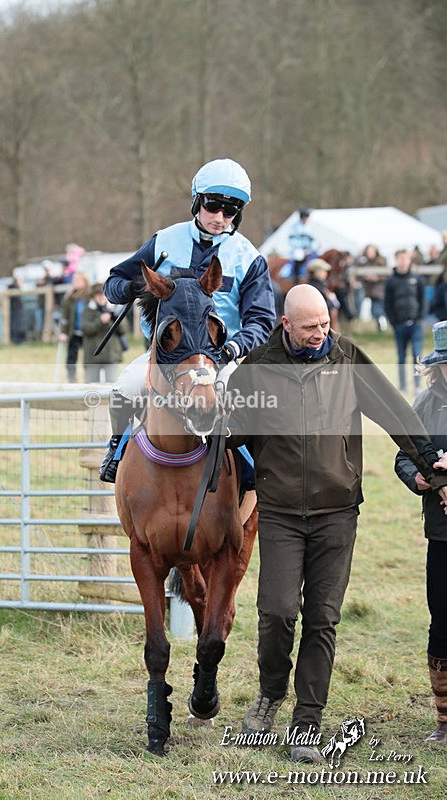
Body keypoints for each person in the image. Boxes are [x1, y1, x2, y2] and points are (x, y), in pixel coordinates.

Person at [226, 284, 447, 763]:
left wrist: (431, 463)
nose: (320, 334)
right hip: (281, 511)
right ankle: (270, 692)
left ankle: (307, 724)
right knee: (278, 612)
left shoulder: (347, 359)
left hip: (338, 510)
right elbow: (230, 430)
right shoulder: (258, 369)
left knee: (323, 619)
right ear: (286, 324)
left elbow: (396, 413)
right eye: (309, 327)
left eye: (325, 324)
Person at [98, 157, 276, 482]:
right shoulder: (164, 241)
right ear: (196, 201)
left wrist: (232, 349)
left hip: (220, 359)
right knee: (125, 387)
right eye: (213, 206)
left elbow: (262, 322)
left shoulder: (249, 258)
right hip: (166, 358)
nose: (220, 218)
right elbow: (112, 283)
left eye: (231, 210)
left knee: (246, 403)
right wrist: (135, 287)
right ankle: (117, 450)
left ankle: (255, 475)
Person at [394, 320, 447, 745]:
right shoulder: (425, 403)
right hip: (442, 532)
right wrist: (419, 479)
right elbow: (403, 456)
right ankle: (444, 719)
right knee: (441, 620)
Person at [383, 249, 427, 394]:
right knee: (401, 356)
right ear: (396, 260)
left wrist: (420, 318)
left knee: (416, 354)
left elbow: (423, 300)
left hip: (415, 324)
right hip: (399, 324)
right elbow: (387, 303)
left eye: (405, 258)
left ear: (409, 261)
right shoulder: (391, 281)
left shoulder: (417, 279)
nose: (403, 261)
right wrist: (393, 321)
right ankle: (402, 386)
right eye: (400, 258)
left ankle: (417, 385)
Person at [82, 283, 128, 383]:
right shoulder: (87, 311)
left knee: (111, 387)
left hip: (111, 356)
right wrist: (100, 321)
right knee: (91, 387)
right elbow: (86, 329)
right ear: (93, 296)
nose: (102, 297)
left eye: (104, 294)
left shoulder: (114, 310)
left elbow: (124, 329)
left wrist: (114, 319)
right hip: (92, 357)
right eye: (99, 295)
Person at [58, 271, 91, 382]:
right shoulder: (69, 297)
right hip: (74, 332)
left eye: (77, 280)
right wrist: (63, 332)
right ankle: (72, 381)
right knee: (71, 359)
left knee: (89, 359)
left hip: (88, 332)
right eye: (74, 280)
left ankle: (89, 380)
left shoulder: (90, 297)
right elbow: (64, 317)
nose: (74, 282)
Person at [288, 207, 317, 284]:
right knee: (299, 256)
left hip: (309, 248)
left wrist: (313, 247)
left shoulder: (310, 227)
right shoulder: (295, 227)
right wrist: (302, 245)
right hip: (299, 248)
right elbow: (291, 240)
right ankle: (296, 278)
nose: (306, 219)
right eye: (305, 217)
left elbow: (313, 240)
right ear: (302, 217)